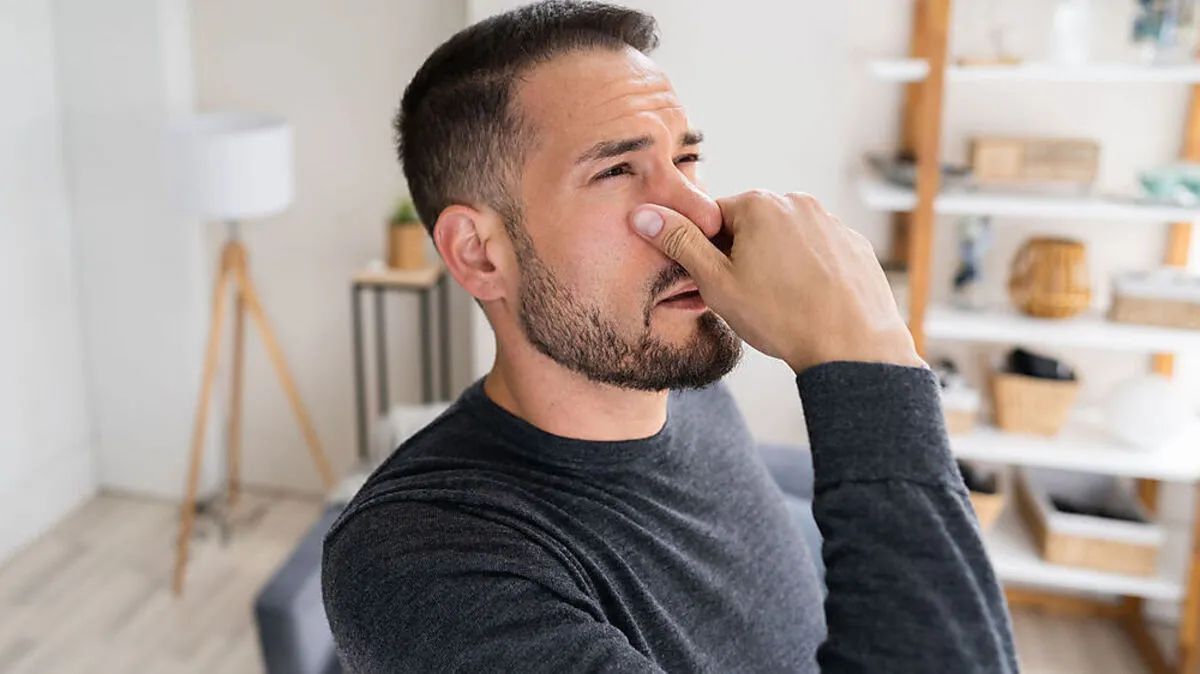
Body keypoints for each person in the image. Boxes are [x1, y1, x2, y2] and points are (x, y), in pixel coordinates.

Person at [322, 2, 1018, 672]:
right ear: (478, 253)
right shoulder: (421, 561)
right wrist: (864, 359)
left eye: (685, 159)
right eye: (617, 171)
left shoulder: (682, 386)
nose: (699, 214)